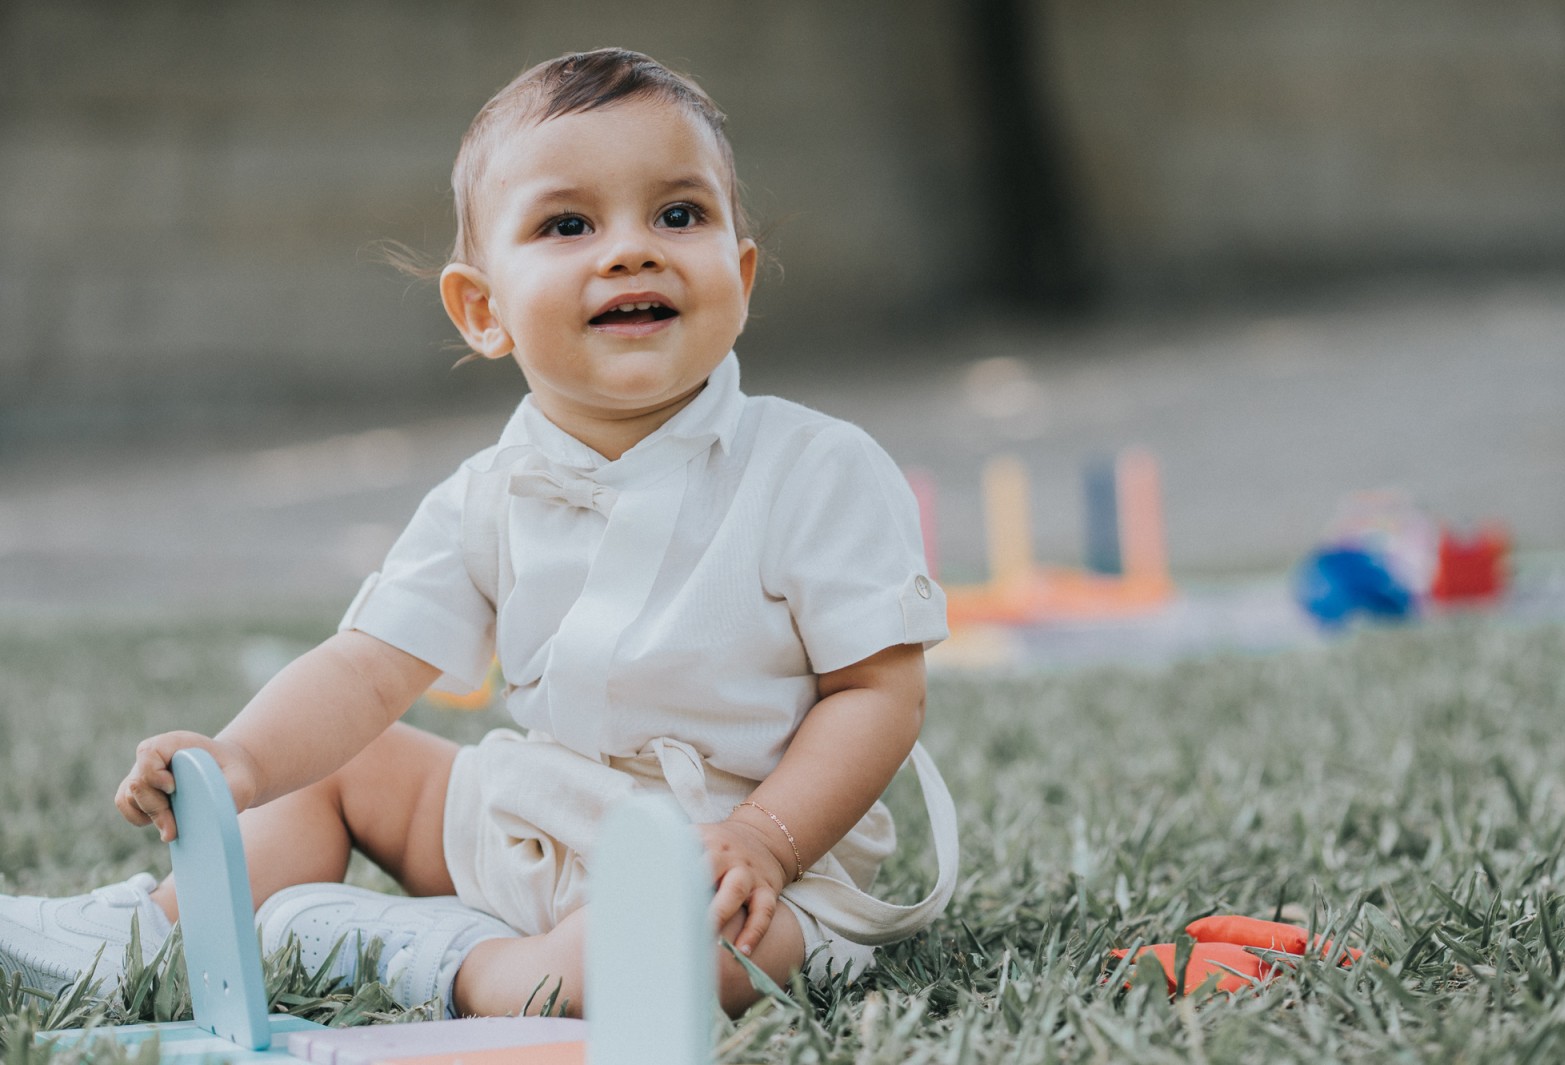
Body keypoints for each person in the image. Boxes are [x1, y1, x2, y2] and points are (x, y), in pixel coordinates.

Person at [0, 48, 955, 1019]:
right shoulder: (488, 492)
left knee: (669, 963)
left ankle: (451, 963)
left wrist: (766, 837)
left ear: (739, 275)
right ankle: (160, 931)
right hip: (536, 827)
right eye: (567, 224)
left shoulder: (815, 468)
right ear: (482, 309)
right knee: (342, 758)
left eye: (679, 214)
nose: (630, 249)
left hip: (740, 875)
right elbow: (369, 668)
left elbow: (877, 692)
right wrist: (240, 762)